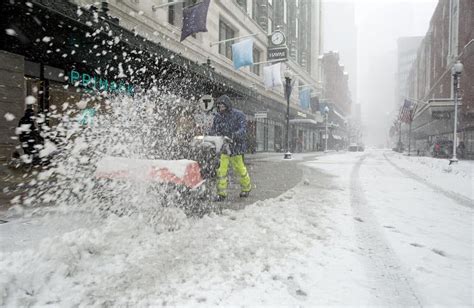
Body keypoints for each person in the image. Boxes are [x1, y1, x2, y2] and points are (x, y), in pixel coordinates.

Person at [209, 95, 252, 201]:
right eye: (219, 106)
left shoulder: (238, 115)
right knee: (221, 171)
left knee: (240, 169)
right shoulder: (218, 117)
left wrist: (233, 136)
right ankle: (221, 193)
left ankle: (246, 188)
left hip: (235, 148)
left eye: (222, 106)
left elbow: (243, 129)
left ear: (227, 105)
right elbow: (213, 129)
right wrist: (212, 136)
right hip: (224, 148)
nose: (221, 108)